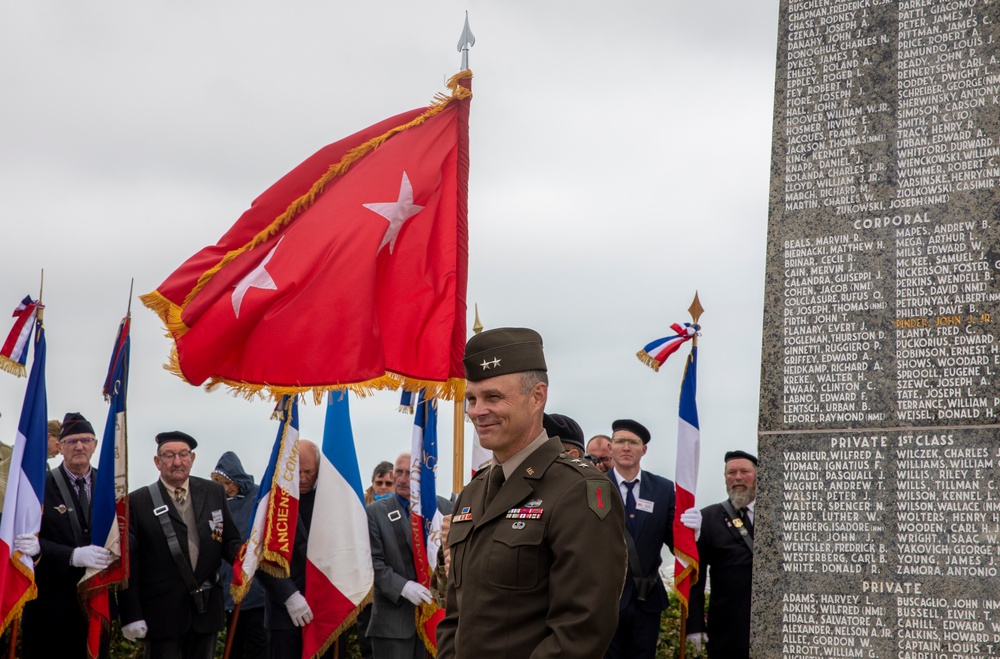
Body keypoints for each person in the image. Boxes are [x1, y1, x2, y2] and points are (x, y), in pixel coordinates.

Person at [438, 327, 627, 659]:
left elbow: (580, 630)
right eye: (471, 398)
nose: (477, 410)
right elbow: (456, 615)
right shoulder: (473, 491)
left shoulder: (577, 490)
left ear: (537, 396)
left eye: (493, 397)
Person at [119, 431, 243, 659]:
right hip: (161, 615)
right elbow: (130, 564)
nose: (177, 462)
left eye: (183, 455)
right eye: (169, 455)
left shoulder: (214, 492)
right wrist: (131, 614)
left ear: (192, 459)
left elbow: (229, 540)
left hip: (206, 610)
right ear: (157, 462)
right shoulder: (138, 502)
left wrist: (245, 553)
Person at [605, 418, 700, 659]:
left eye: (633, 442)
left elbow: (674, 540)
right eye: (620, 441)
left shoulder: (663, 489)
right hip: (604, 601)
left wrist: (693, 532)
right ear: (610, 448)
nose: (626, 447)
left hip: (646, 600)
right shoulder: (594, 486)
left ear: (643, 450)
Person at [21, 412, 112, 659]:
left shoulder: (111, 486)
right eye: (72, 441)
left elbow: (130, 535)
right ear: (60, 447)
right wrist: (72, 555)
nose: (79, 446)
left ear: (94, 445)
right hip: (49, 609)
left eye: (85, 439)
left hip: (95, 606)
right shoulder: (39, 486)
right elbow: (25, 541)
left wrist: (112, 551)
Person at [257, 439, 335, 659]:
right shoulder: (271, 501)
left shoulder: (332, 501)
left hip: (326, 610)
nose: (302, 479)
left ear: (319, 469)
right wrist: (289, 596)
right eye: (297, 472)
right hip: (284, 612)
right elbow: (260, 554)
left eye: (309, 472)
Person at [687, 450, 757, 659]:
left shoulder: (778, 514)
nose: (737, 477)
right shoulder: (707, 518)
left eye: (744, 472)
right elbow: (695, 577)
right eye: (731, 472)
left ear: (757, 476)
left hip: (773, 626)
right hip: (726, 630)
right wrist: (695, 624)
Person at [213, 452, 269, 659]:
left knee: (257, 644)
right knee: (233, 644)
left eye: (228, 482)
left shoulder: (256, 498)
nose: (226, 488)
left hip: (255, 587)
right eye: (220, 482)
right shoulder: (217, 503)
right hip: (228, 585)